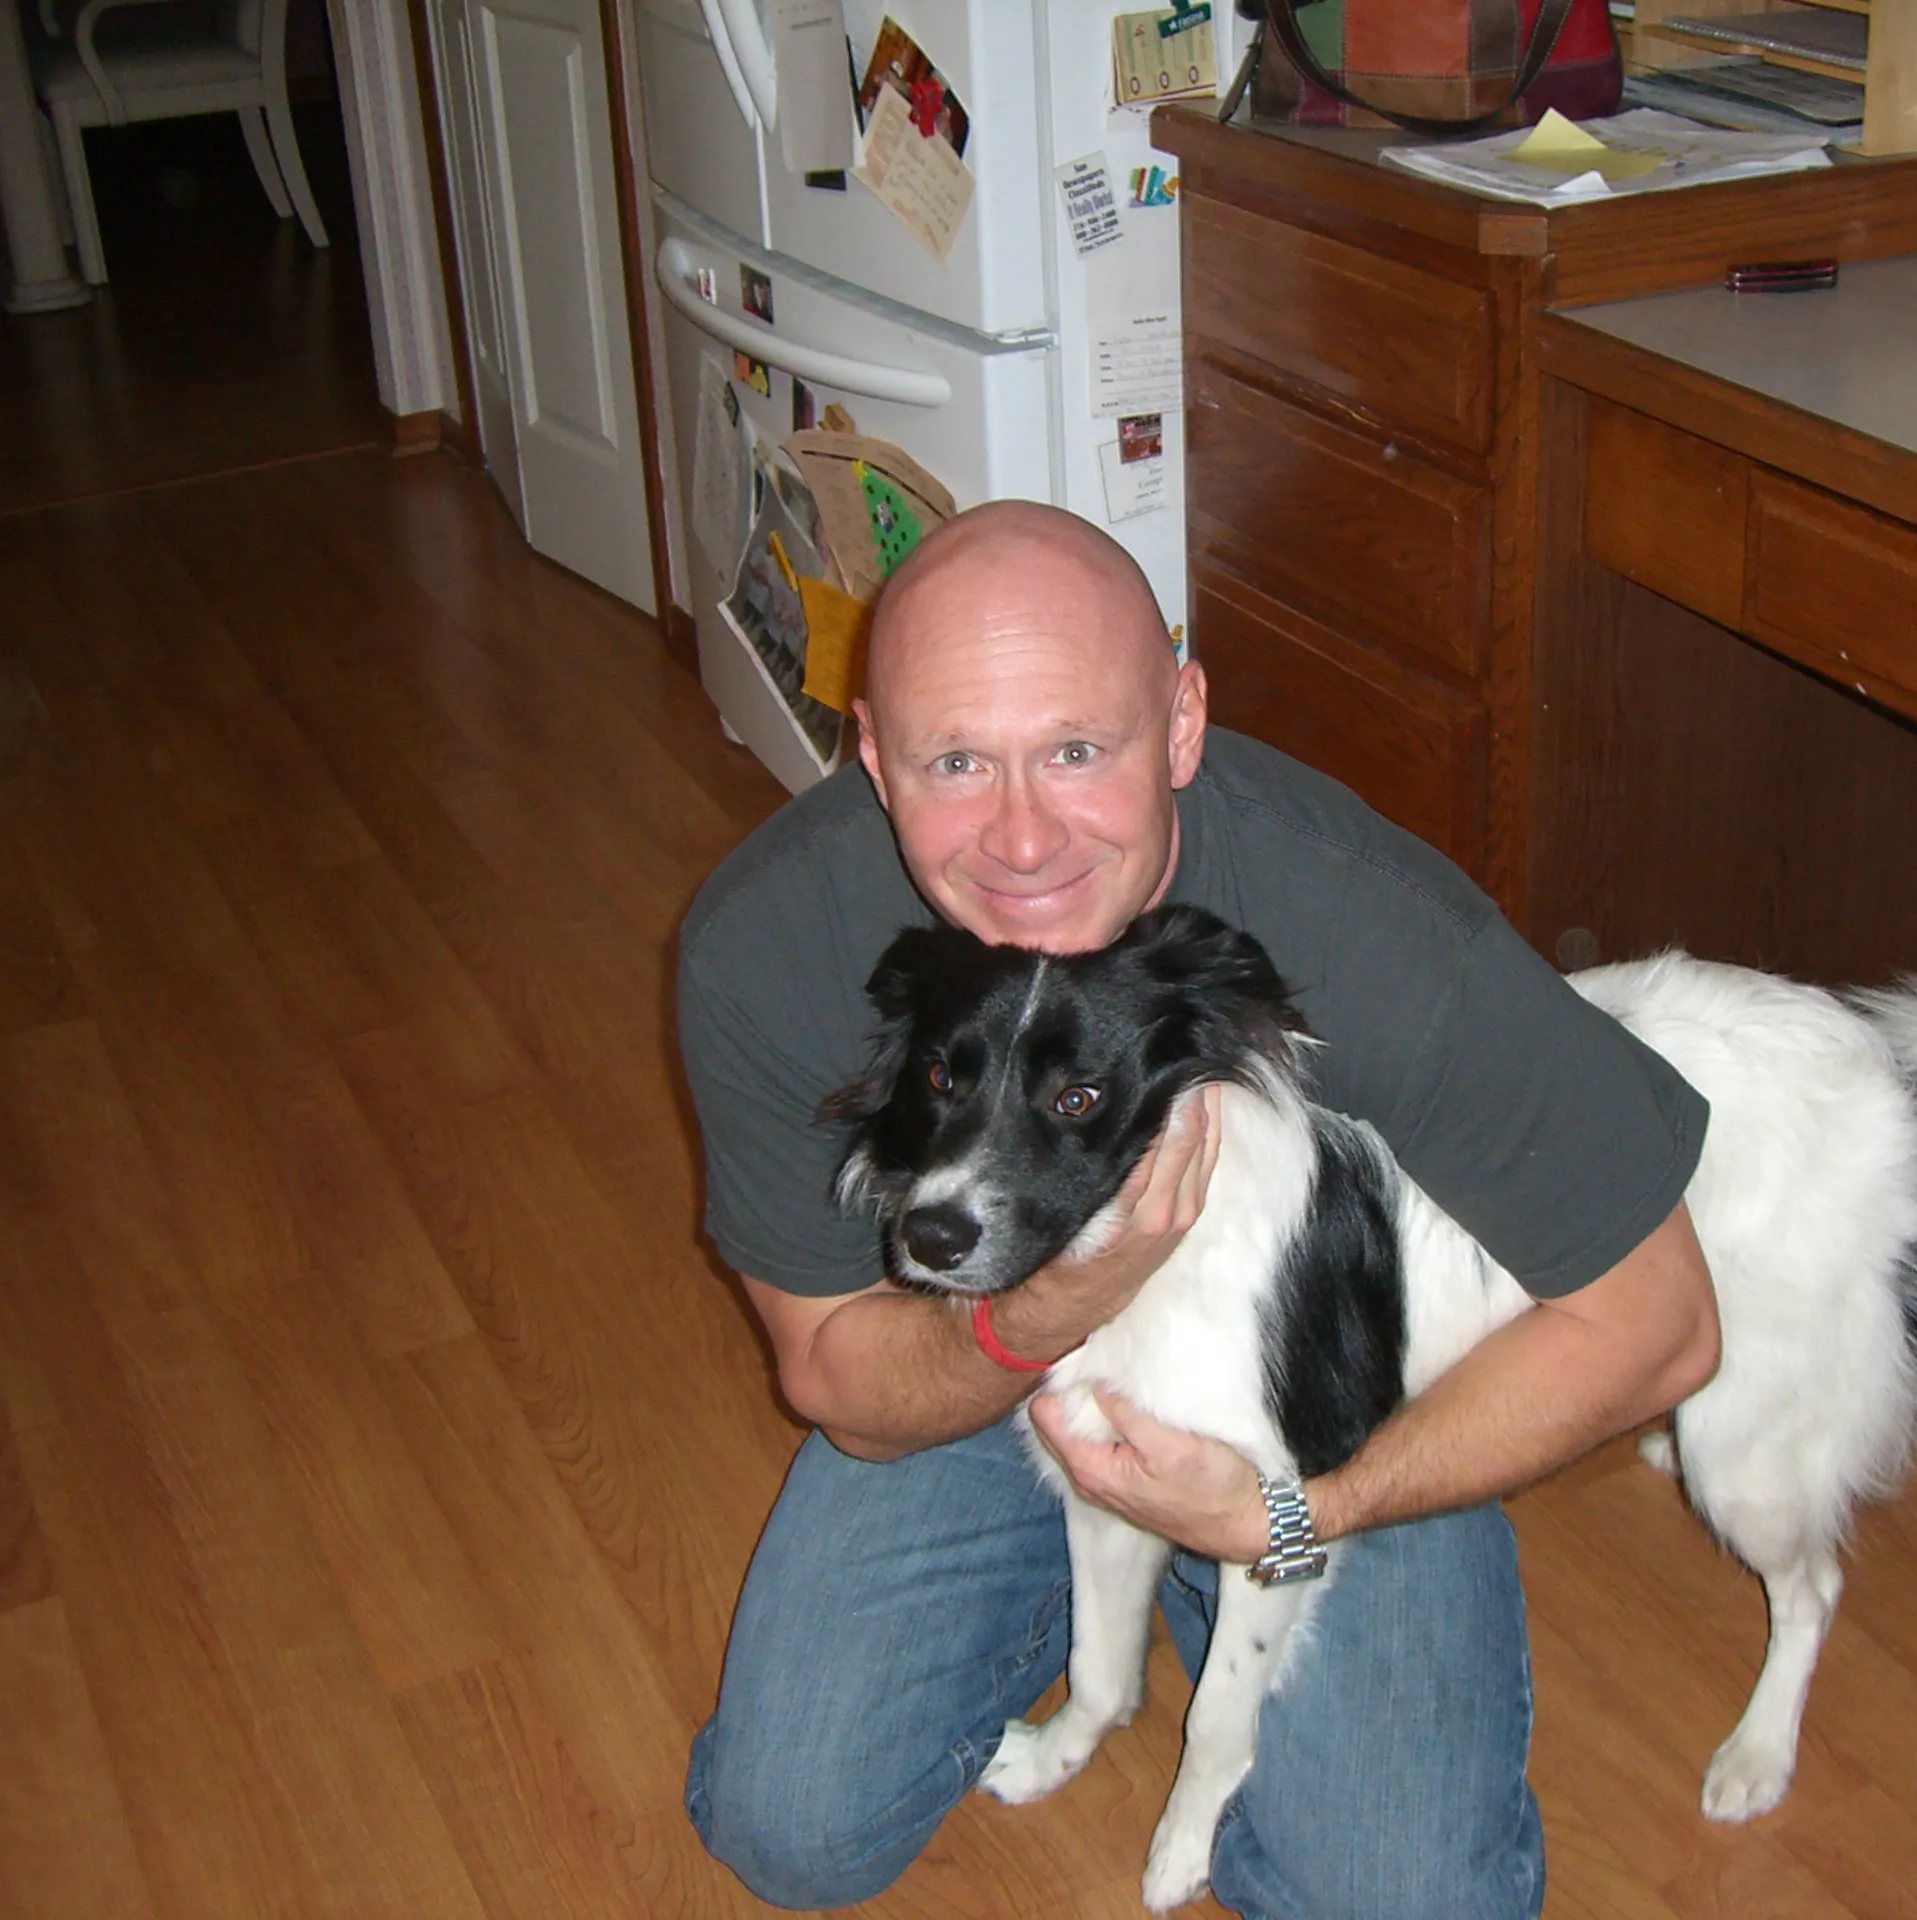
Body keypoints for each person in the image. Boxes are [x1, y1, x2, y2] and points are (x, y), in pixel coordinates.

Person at [676, 500, 1722, 1919]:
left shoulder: (1379, 935)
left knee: (1407, 1900)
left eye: (1077, 750)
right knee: (790, 1820)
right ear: (873, 755)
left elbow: (1661, 1325)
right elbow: (839, 1383)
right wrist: (1059, 1305)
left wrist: (1289, 1515)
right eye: (955, 761)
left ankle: (1197, 1577)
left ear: (1182, 725)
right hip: (964, 1364)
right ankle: (1098, 1602)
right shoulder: (768, 939)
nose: (1021, 835)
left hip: (1333, 1394)